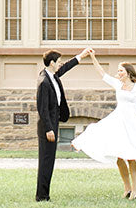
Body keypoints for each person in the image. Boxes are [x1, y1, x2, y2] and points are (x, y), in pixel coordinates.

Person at [71, 51, 136, 199]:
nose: (118, 73)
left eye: (121, 71)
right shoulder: (118, 84)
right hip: (118, 121)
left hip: (133, 123)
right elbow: (102, 73)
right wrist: (93, 57)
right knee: (119, 156)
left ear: (128, 73)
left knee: (131, 156)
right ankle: (127, 188)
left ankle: (135, 190)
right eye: (118, 71)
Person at [35, 47, 93, 202]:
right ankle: (42, 197)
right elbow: (42, 108)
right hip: (47, 128)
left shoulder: (53, 75)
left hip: (54, 123)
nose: (60, 64)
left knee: (49, 161)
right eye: (58, 62)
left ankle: (44, 195)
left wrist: (82, 55)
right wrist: (49, 129)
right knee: (46, 162)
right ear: (52, 63)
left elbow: (66, 67)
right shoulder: (44, 82)